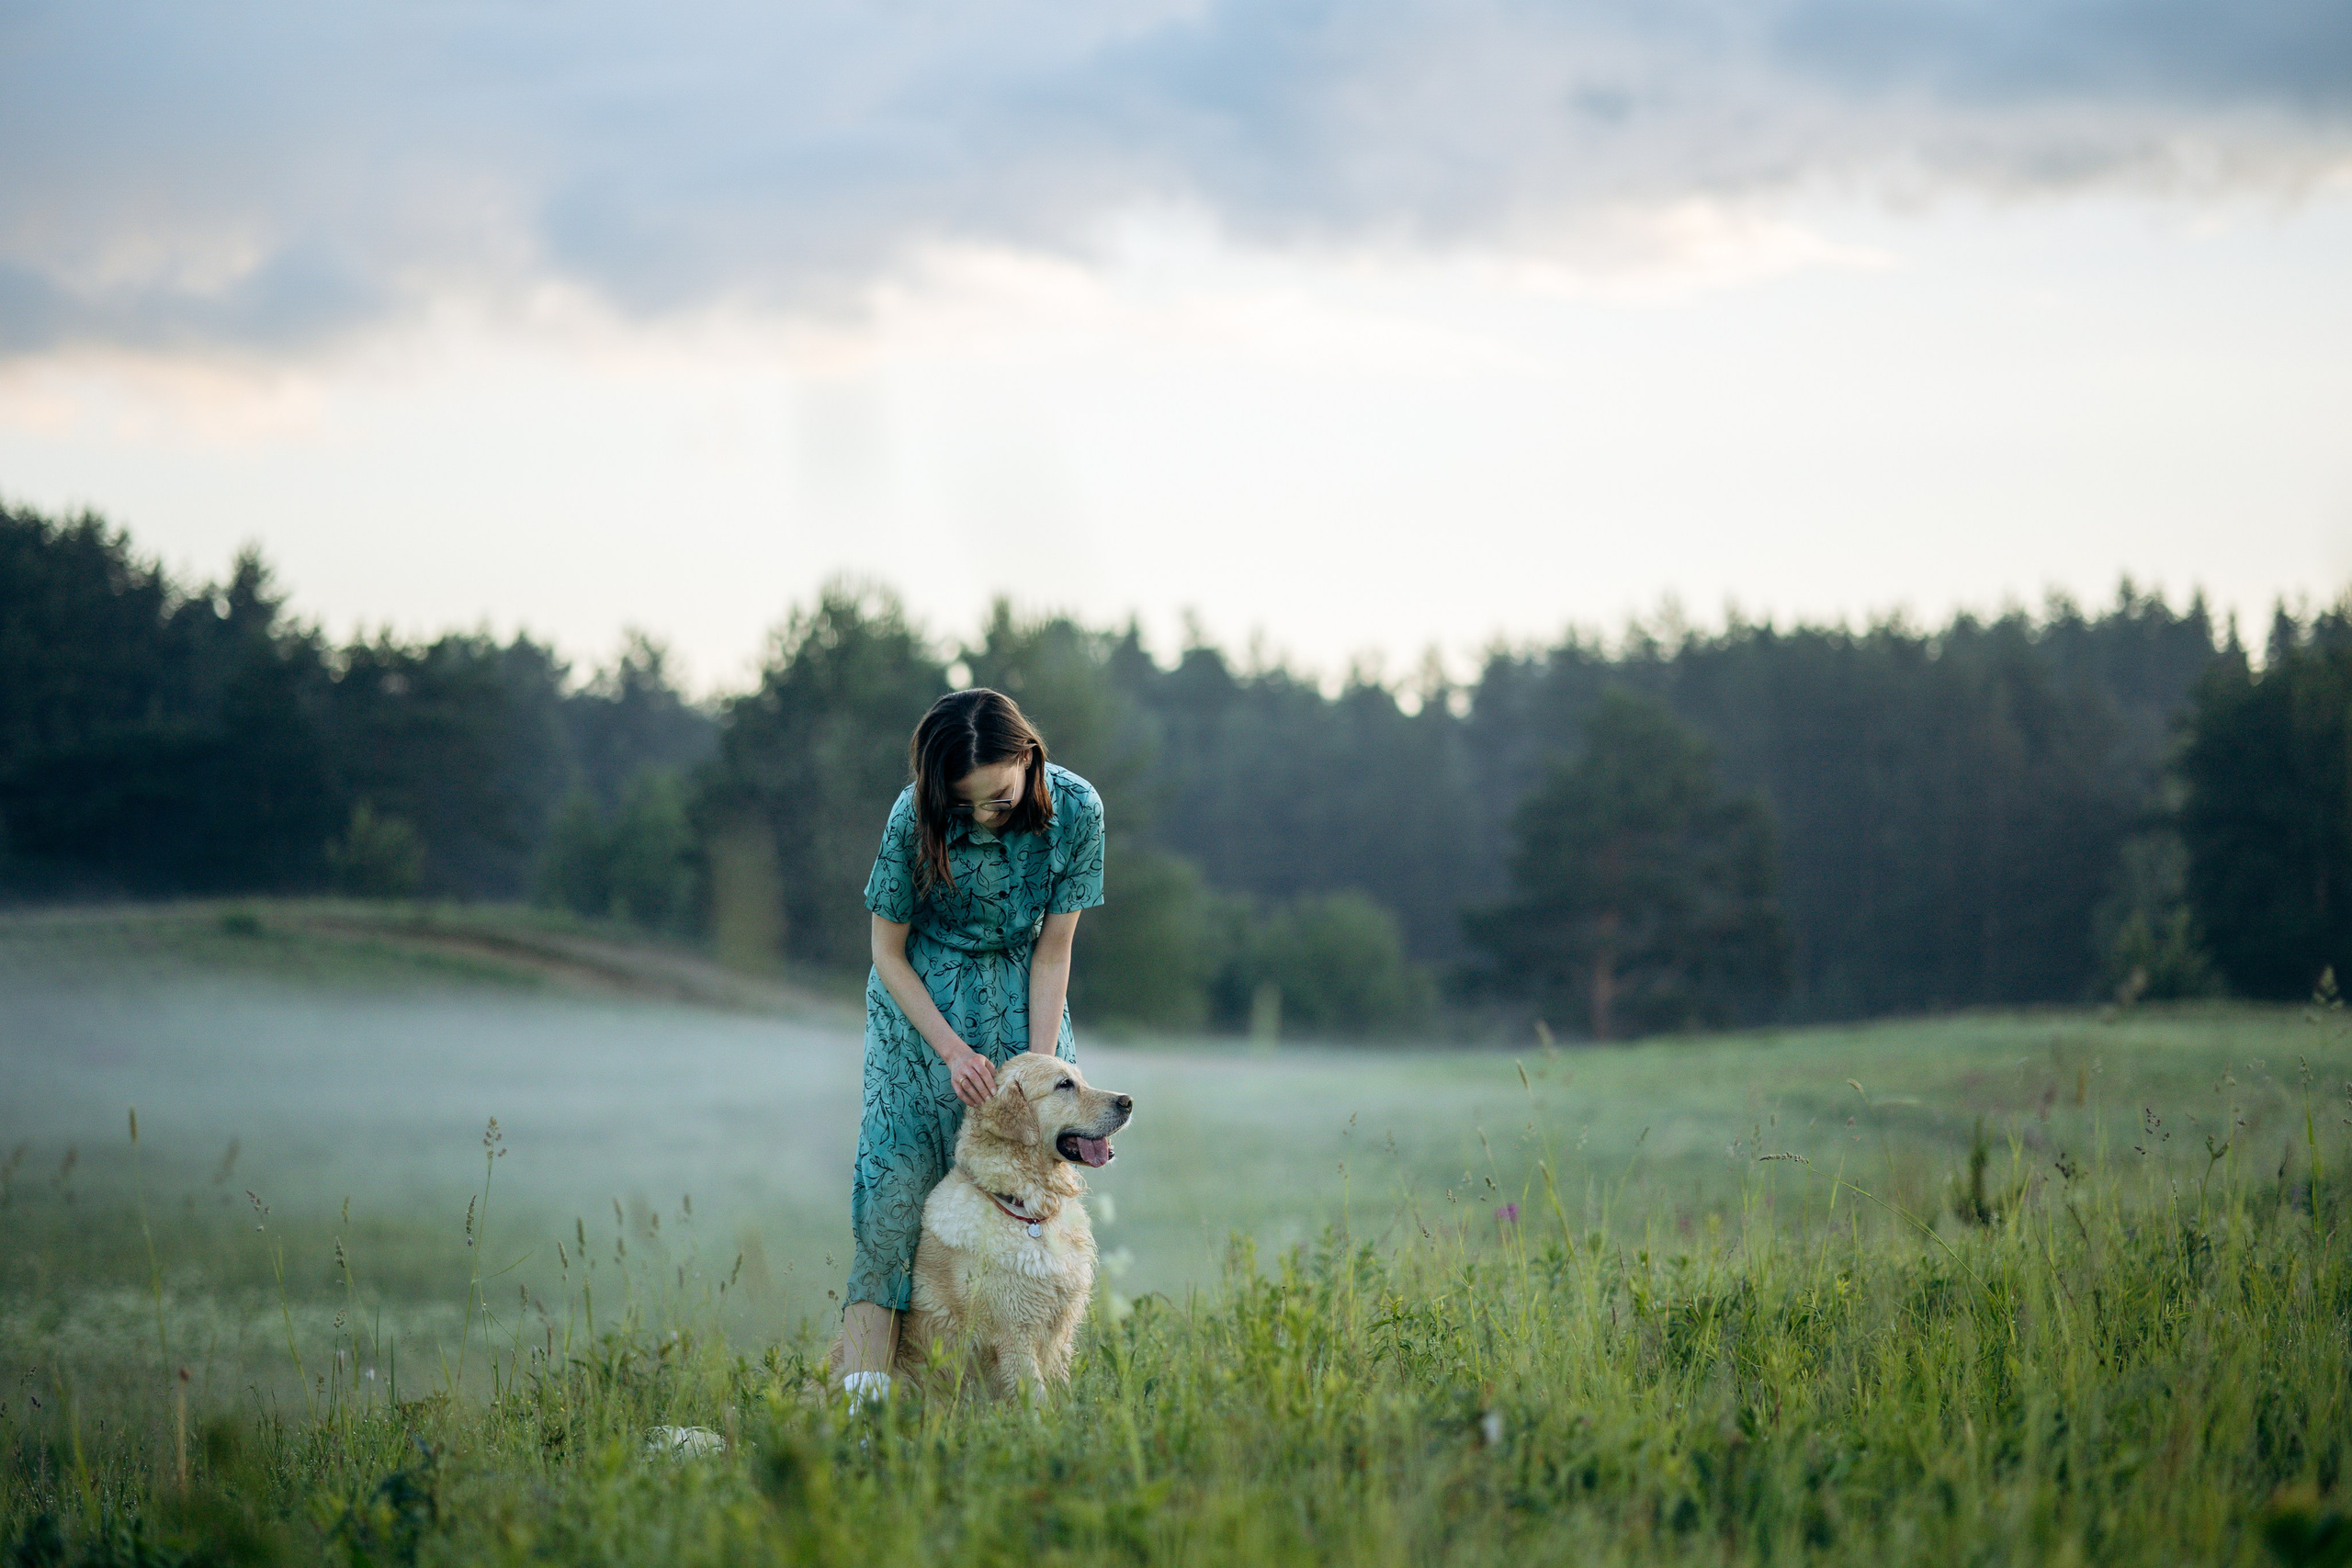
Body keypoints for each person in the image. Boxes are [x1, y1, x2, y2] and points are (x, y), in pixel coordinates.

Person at [838, 687, 1106, 1403]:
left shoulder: (1079, 810)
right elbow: (885, 951)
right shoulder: (913, 814)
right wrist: (953, 1051)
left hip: (1026, 1007)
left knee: (1028, 1199)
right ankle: (863, 1408)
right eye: (967, 803)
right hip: (921, 1016)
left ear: (1027, 756)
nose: (986, 813)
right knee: (893, 1198)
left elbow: (1055, 952)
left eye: (999, 795)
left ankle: (1018, 1397)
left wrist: (1037, 1080)